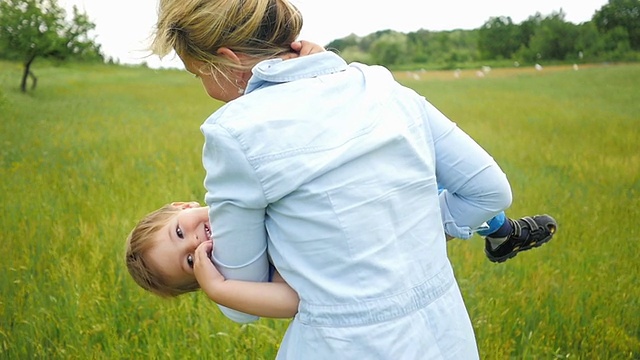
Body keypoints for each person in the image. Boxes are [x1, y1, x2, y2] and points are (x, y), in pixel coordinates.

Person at [145, 0, 554, 357]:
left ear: (229, 60)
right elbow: (489, 191)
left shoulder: (233, 131)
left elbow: (241, 298)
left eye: (200, 75)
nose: (206, 89)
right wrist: (410, 229)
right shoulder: (379, 83)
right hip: (446, 337)